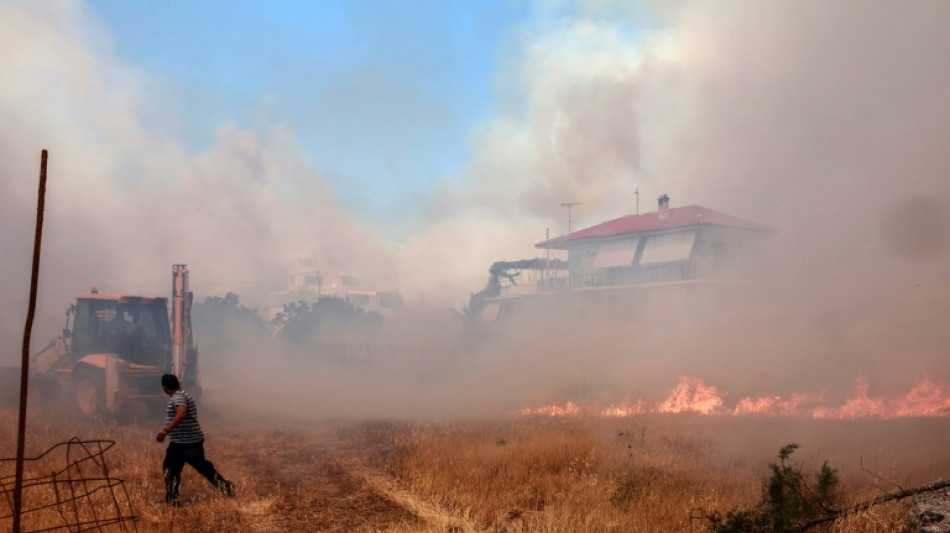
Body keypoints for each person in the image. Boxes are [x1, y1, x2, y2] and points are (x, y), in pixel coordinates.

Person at [156, 374, 234, 505]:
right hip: (185, 442)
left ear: (164, 388)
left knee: (172, 469)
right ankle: (226, 488)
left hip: (186, 443)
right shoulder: (182, 394)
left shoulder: (178, 397)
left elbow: (181, 413)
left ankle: (171, 500)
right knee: (180, 468)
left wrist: (165, 431)